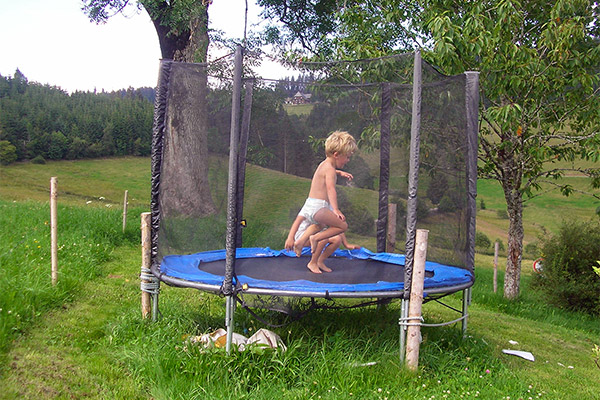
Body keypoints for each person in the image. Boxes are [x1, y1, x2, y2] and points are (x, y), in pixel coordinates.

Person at [285, 130, 358, 273]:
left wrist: (339, 172)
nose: (348, 160)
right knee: (342, 226)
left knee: (326, 227)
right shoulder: (330, 169)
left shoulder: (324, 165)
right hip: (319, 207)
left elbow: (324, 174)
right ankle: (315, 238)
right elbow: (331, 189)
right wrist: (336, 209)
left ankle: (312, 253)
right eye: (347, 157)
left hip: (312, 206)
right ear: (336, 155)